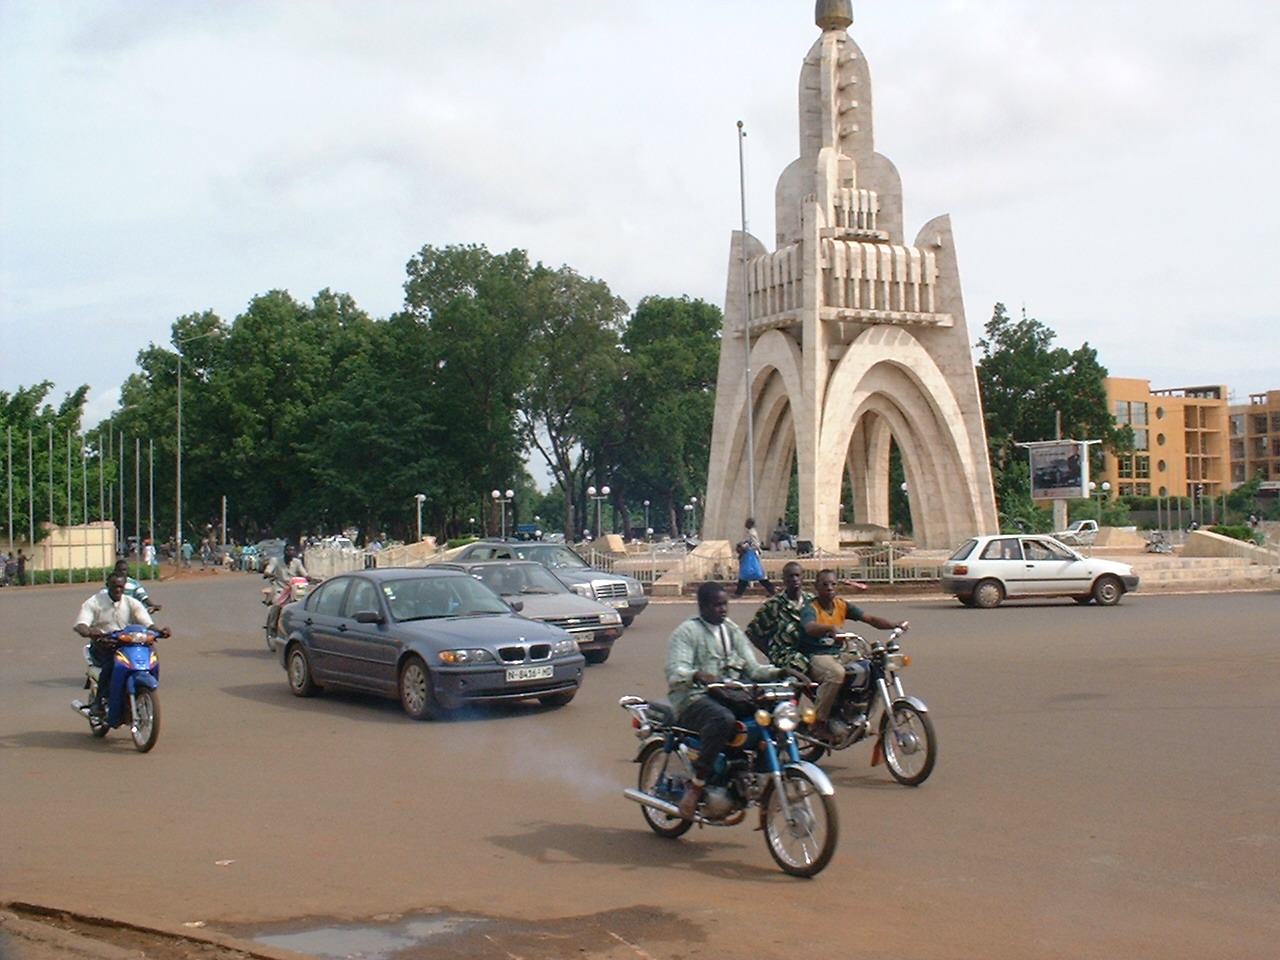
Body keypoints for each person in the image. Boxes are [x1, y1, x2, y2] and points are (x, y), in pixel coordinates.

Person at [665, 581, 784, 820]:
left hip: (730, 695)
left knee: (775, 714)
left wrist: (782, 672)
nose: (723, 609)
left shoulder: (731, 630)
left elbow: (753, 669)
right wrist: (697, 675)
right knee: (723, 720)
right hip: (693, 699)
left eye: (725, 604)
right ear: (702, 606)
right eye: (717, 605)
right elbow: (675, 672)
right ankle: (696, 787)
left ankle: (759, 775)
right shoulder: (686, 632)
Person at [798, 569, 906, 736]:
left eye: (833, 584)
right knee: (836, 673)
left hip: (841, 653)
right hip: (818, 655)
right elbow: (809, 627)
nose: (829, 588)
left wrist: (893, 624)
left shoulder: (842, 605)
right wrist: (830, 628)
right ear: (816, 587)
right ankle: (819, 722)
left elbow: (869, 619)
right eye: (825, 584)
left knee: (873, 667)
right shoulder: (810, 608)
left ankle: (859, 714)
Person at [74, 574, 170, 717]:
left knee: (150, 655)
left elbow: (147, 622)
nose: (118, 590)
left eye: (120, 587)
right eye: (114, 586)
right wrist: (89, 632)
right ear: (107, 585)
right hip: (104, 645)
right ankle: (98, 702)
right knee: (111, 665)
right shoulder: (94, 602)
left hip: (128, 644)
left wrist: (160, 631)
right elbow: (81, 624)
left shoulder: (131, 602)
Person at [745, 561, 814, 660]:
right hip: (786, 657)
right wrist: (770, 653)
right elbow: (752, 632)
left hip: (811, 652)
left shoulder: (811, 601)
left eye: (797, 575)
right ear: (783, 580)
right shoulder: (775, 605)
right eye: (790, 576)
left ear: (803, 577)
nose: (794, 579)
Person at [262, 544, 312, 635]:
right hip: (280, 588)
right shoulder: (275, 561)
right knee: (277, 604)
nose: (290, 552)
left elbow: (304, 574)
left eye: (292, 550)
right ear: (284, 552)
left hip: (293, 589)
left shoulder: (297, 562)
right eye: (288, 550)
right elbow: (268, 571)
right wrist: (269, 574)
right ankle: (273, 625)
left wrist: (311, 579)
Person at [733, 517, 776, 597]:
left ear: (750, 524)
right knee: (747, 574)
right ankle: (738, 593)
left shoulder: (751, 533)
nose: (745, 524)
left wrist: (743, 546)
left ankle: (772, 590)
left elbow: (754, 544)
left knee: (753, 574)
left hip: (751, 556)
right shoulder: (750, 532)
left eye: (747, 522)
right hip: (749, 555)